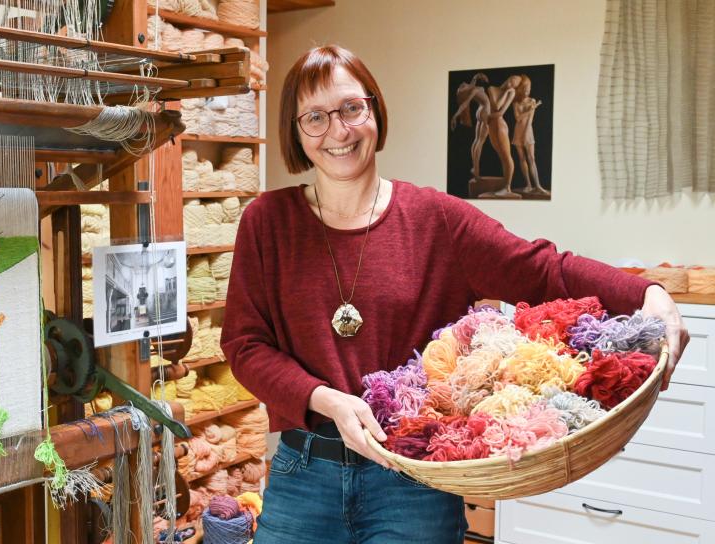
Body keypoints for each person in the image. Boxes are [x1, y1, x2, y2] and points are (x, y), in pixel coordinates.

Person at [220, 45, 689, 544]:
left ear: (375, 110)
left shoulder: (437, 219)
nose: (338, 131)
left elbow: (544, 269)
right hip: (304, 472)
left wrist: (647, 293)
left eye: (351, 108)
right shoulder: (267, 222)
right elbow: (245, 345)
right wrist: (327, 400)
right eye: (315, 117)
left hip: (416, 480)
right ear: (296, 131)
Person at [511, 75, 549, 195]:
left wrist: (526, 132)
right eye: (525, 88)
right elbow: (518, 119)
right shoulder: (515, 103)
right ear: (521, 89)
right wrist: (530, 110)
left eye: (529, 88)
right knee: (522, 158)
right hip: (518, 130)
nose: (528, 90)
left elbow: (530, 120)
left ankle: (538, 185)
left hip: (528, 130)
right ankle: (528, 184)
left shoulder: (532, 101)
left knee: (531, 158)